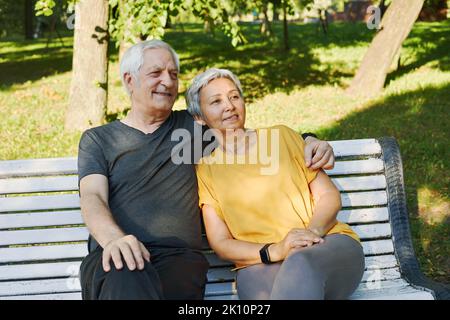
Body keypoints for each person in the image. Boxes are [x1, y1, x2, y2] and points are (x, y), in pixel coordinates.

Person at [77, 40, 336, 300]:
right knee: (127, 273)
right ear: (129, 80)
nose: (167, 82)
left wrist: (309, 139)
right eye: (156, 73)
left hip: (177, 259)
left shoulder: (192, 127)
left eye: (174, 74)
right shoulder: (100, 139)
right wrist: (114, 240)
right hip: (114, 254)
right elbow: (92, 197)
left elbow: (249, 132)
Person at [186, 68, 365, 300]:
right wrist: (276, 250)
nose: (229, 106)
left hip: (325, 244)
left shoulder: (282, 137)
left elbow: (328, 196)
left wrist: (309, 234)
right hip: (261, 261)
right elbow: (221, 242)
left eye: (234, 96)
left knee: (299, 262)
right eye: (216, 101)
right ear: (200, 117)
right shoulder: (206, 170)